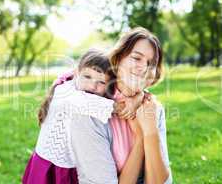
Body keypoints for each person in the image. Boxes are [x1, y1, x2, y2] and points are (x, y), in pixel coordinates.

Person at [67, 27, 172, 184]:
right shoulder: (89, 110)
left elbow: (161, 181)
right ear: (117, 59)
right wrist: (140, 137)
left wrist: (150, 131)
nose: (143, 67)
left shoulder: (152, 107)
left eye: (151, 64)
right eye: (136, 58)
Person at [22, 50, 137, 184]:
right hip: (52, 165)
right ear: (77, 73)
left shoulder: (85, 89)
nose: (92, 85)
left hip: (73, 165)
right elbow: (85, 102)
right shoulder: (65, 92)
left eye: (101, 82)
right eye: (87, 77)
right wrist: (126, 104)